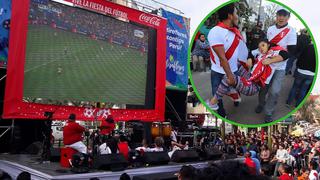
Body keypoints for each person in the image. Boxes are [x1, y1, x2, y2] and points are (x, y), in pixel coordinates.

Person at [207, 40, 289, 110]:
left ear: (268, 44)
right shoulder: (260, 53)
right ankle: (233, 91)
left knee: (228, 78)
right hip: (250, 76)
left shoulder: (275, 53)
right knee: (234, 63)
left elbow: (286, 55)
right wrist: (250, 59)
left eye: (263, 45)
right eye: (259, 47)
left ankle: (213, 102)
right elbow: (251, 53)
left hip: (254, 86)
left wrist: (271, 61)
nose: (261, 48)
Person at [255, 8, 297, 123]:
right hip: (266, 66)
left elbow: (291, 52)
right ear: (276, 16)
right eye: (279, 15)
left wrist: (272, 60)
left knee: (275, 91)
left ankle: (269, 111)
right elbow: (266, 46)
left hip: (280, 67)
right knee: (263, 88)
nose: (281, 18)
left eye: (284, 16)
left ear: (288, 17)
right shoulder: (270, 29)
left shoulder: (291, 31)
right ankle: (261, 103)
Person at [207, 3, 248, 117]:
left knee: (235, 87)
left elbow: (241, 50)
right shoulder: (216, 31)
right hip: (218, 71)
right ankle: (221, 113)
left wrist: (245, 63)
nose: (237, 16)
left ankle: (235, 97)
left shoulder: (235, 31)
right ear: (230, 16)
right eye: (235, 13)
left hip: (234, 69)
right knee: (217, 94)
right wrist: (230, 76)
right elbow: (222, 58)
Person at [286, 30, 315, 107]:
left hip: (301, 71)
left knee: (295, 87)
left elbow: (300, 59)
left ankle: (288, 103)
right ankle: (297, 105)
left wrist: (298, 67)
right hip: (312, 74)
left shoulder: (307, 47)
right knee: (304, 89)